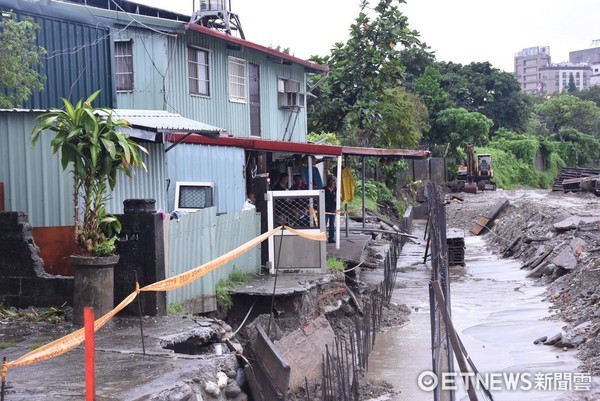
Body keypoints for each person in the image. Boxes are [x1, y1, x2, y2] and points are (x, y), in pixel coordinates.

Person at [323, 176, 337, 243]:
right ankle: (323, 237)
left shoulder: (335, 189)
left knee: (332, 224)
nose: (332, 183)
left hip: (333, 209)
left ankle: (331, 238)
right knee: (324, 224)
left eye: (333, 181)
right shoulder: (324, 189)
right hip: (325, 209)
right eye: (331, 181)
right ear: (328, 182)